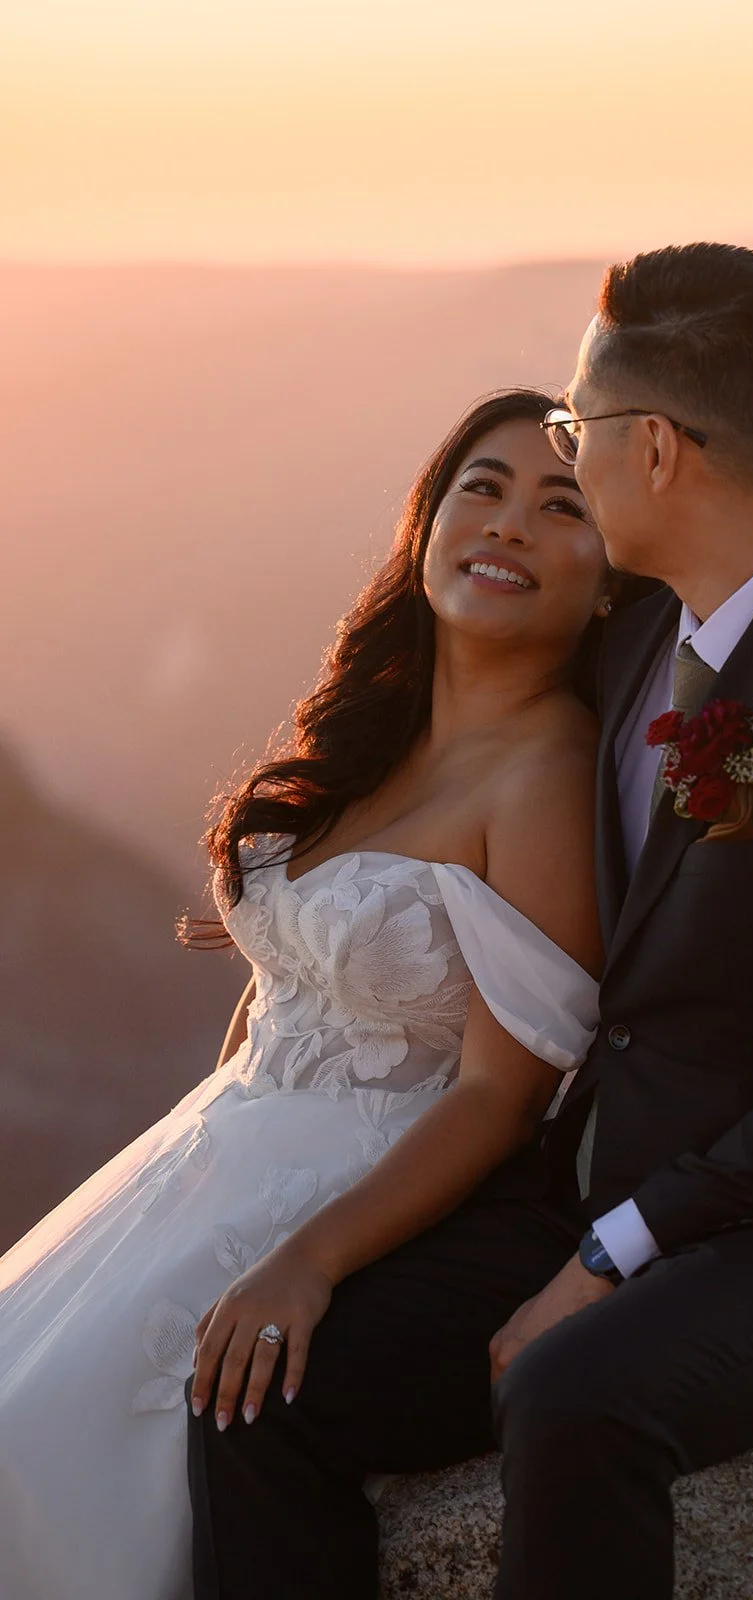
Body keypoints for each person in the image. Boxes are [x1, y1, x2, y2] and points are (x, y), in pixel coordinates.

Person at [190, 244, 753, 1600]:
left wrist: (608, 1254)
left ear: (654, 453)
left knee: (577, 1397)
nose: (562, 457)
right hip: (612, 1175)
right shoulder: (650, 629)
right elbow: (486, 633)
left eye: (579, 432)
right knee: (266, 1385)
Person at [0, 387, 617, 1600]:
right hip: (213, 1145)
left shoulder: (546, 771)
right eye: (480, 489)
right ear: (428, 521)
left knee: (57, 1447)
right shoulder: (377, 731)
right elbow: (292, 971)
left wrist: (310, 1261)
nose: (507, 526)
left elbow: (503, 1093)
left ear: (609, 579)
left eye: (563, 507)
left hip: (354, 1183)